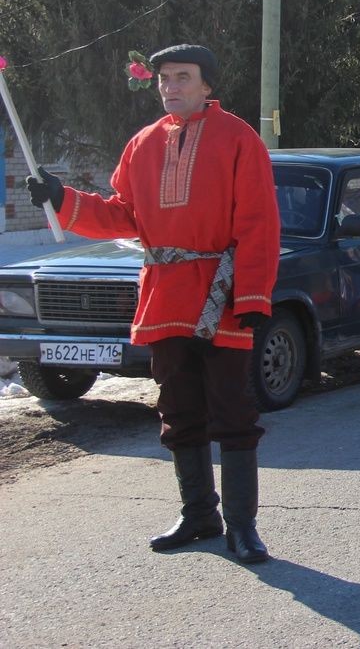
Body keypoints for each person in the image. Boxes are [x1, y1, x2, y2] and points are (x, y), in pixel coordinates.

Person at [26, 44, 279, 563]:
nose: (170, 86)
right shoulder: (141, 144)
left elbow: (258, 221)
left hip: (221, 295)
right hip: (164, 295)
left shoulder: (239, 138)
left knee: (232, 411)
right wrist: (60, 197)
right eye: (164, 78)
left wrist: (254, 294)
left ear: (207, 85)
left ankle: (243, 526)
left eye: (182, 77)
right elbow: (122, 216)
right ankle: (199, 514)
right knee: (178, 409)